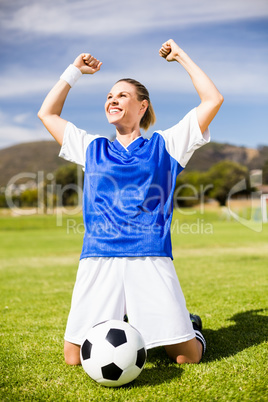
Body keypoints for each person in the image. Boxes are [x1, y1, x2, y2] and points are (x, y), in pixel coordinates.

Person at [38, 39, 223, 366]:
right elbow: (47, 113)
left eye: (122, 94)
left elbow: (213, 99)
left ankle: (189, 326)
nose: (112, 99)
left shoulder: (166, 144)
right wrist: (74, 71)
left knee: (186, 358)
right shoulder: (91, 147)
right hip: (98, 255)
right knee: (72, 358)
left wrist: (180, 56)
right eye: (109, 95)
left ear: (142, 106)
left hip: (149, 254)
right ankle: (127, 317)